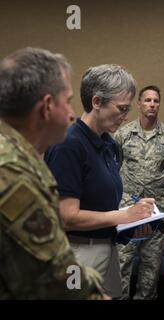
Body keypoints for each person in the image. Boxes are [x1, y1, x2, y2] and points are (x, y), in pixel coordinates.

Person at [0, 47, 105, 299]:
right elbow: (58, 277)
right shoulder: (12, 173)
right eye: (67, 101)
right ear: (47, 106)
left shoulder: (17, 154)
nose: (71, 114)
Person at [45, 64, 154, 299]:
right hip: (77, 253)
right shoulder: (68, 145)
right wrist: (123, 216)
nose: (126, 117)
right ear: (96, 102)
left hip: (107, 248)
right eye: (122, 109)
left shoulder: (109, 145)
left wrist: (129, 225)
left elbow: (100, 206)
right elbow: (66, 217)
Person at [115, 85, 164, 300]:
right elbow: (113, 167)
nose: (152, 104)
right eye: (147, 100)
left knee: (151, 264)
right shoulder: (122, 134)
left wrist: (156, 187)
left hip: (157, 209)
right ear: (139, 104)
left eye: (156, 100)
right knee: (122, 260)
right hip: (128, 208)